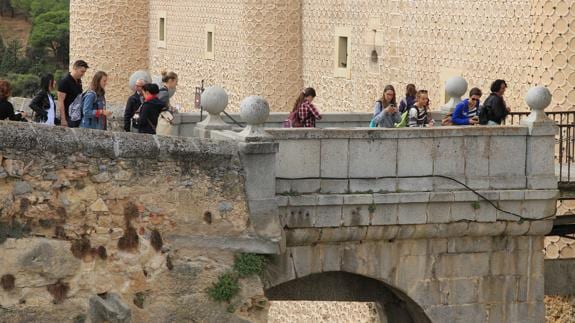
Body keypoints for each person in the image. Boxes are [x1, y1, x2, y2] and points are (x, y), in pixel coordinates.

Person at [58, 60, 89, 127]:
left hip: (77, 117)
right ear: (75, 68)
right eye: (82, 71)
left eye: (84, 72)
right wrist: (63, 119)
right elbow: (61, 101)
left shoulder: (79, 81)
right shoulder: (65, 81)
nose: (83, 74)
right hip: (68, 117)